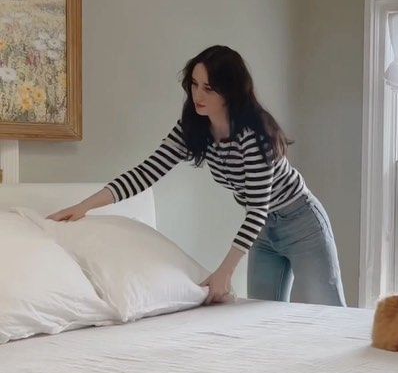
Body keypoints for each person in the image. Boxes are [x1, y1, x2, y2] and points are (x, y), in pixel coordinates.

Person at [50, 45, 346, 307]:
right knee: (262, 317)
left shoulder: (253, 135)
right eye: (194, 84)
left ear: (230, 91)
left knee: (327, 315)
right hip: (263, 230)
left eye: (208, 88)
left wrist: (225, 271)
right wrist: (84, 207)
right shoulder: (193, 128)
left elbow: (257, 207)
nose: (197, 95)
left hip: (301, 223)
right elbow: (146, 172)